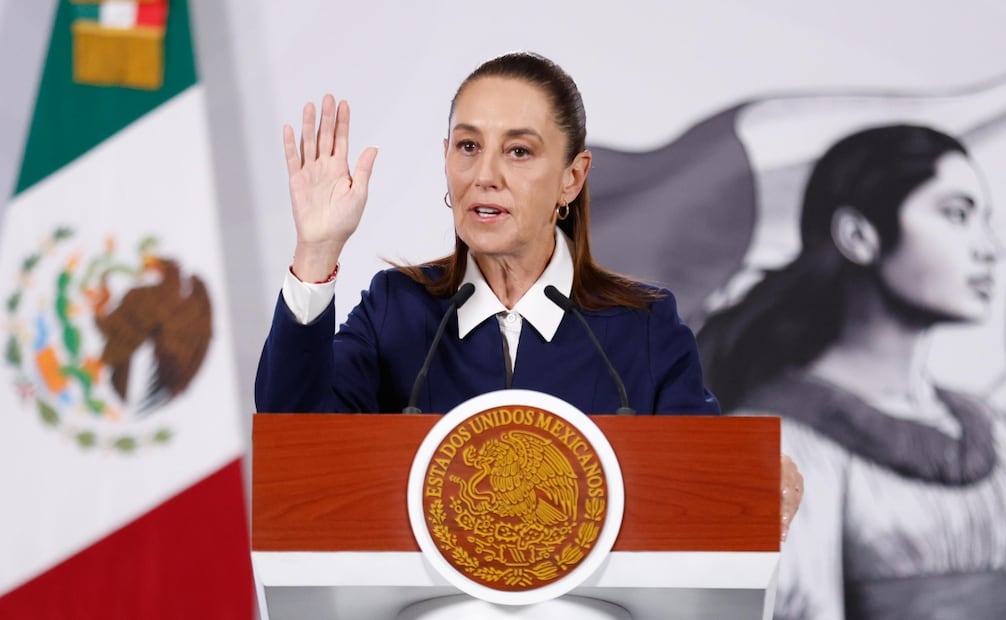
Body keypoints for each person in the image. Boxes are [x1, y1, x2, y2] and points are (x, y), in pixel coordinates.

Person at [254, 51, 802, 536]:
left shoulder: (644, 327)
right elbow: (293, 435)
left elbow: (706, 494)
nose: (484, 174)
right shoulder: (396, 308)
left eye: (518, 152)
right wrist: (317, 252)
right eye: (468, 146)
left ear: (572, 177)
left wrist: (755, 483)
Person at [697, 125, 1006, 619]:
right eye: (956, 215)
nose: (989, 248)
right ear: (858, 236)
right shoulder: (773, 446)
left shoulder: (992, 427)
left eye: (984, 220)